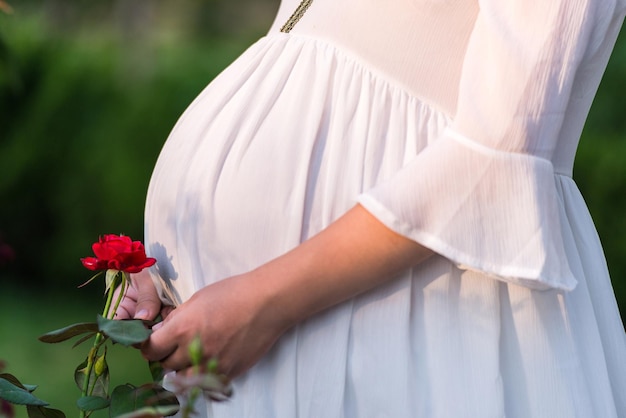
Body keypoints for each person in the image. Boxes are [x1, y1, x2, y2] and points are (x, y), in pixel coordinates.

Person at [116, 0, 626, 416]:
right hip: (280, 346)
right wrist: (184, 269)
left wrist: (261, 301)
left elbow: (497, 154)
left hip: (414, 326)